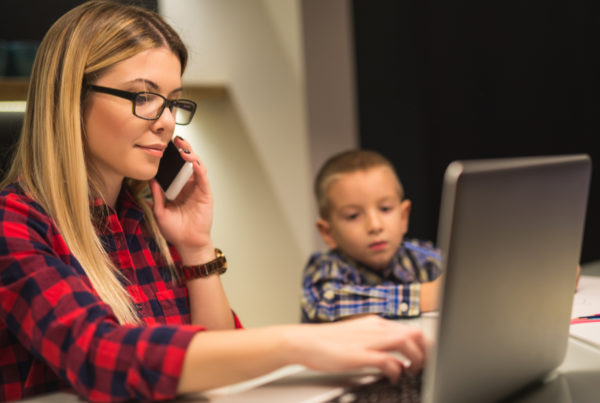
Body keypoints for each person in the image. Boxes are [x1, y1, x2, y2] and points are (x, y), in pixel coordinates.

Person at [0, 1, 429, 401]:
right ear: (70, 99)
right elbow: (98, 356)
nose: (166, 122)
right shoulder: (14, 225)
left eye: (172, 102)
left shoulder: (142, 218)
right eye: (144, 97)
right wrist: (298, 342)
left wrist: (195, 246)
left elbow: (220, 365)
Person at [302, 150, 443, 323]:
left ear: (403, 216)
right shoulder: (325, 267)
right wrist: (424, 296)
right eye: (353, 216)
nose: (375, 226)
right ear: (328, 232)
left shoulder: (423, 255)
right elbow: (327, 301)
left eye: (385, 208)